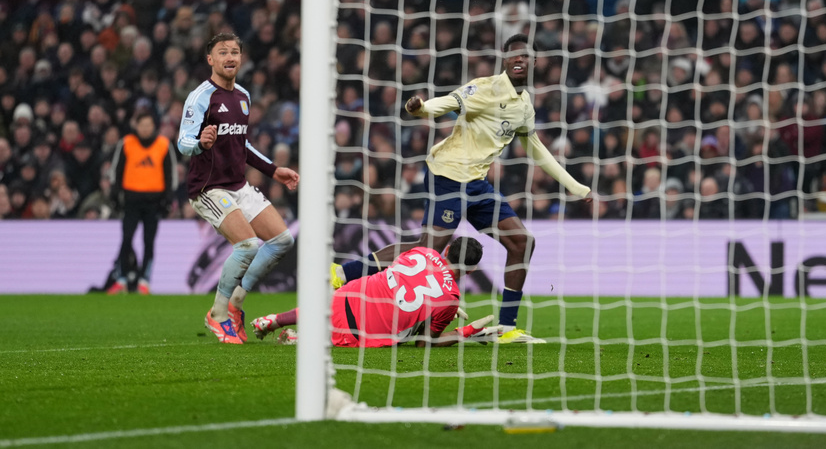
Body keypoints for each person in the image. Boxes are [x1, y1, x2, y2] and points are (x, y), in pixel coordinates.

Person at [333, 33, 593, 344]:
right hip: (449, 174)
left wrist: (574, 185)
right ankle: (345, 273)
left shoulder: (523, 106)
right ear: (505, 60)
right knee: (427, 251)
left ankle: (506, 328)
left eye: (525, 55)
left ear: (536, 62)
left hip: (477, 184)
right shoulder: (484, 88)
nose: (519, 59)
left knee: (522, 243)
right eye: (513, 55)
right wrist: (421, 108)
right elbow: (449, 102)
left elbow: (536, 147)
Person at [177, 33, 299, 344]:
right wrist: (200, 143)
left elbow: (241, 144)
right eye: (223, 53)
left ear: (241, 58)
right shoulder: (201, 96)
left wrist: (274, 170)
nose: (230, 57)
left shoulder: (243, 95)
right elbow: (183, 142)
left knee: (281, 240)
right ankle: (217, 314)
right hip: (208, 188)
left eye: (234, 52)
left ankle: (235, 305)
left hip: (238, 185)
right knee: (247, 245)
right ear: (211, 60)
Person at [251, 238, 495, 347]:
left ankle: (276, 319)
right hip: (361, 330)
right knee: (405, 331)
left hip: (353, 292)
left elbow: (398, 271)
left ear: (448, 249)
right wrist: (468, 332)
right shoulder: (450, 299)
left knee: (329, 306)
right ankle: (302, 340)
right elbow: (425, 343)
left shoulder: (425, 252)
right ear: (471, 272)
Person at [108, 110, 177, 295]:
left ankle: (144, 281)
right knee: (126, 239)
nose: (145, 129)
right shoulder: (126, 143)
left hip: (154, 202)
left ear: (153, 126)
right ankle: (122, 279)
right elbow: (116, 172)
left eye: (148, 125)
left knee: (149, 241)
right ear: (135, 126)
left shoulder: (163, 144)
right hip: (131, 201)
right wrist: (115, 195)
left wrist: (168, 199)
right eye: (142, 125)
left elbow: (171, 174)